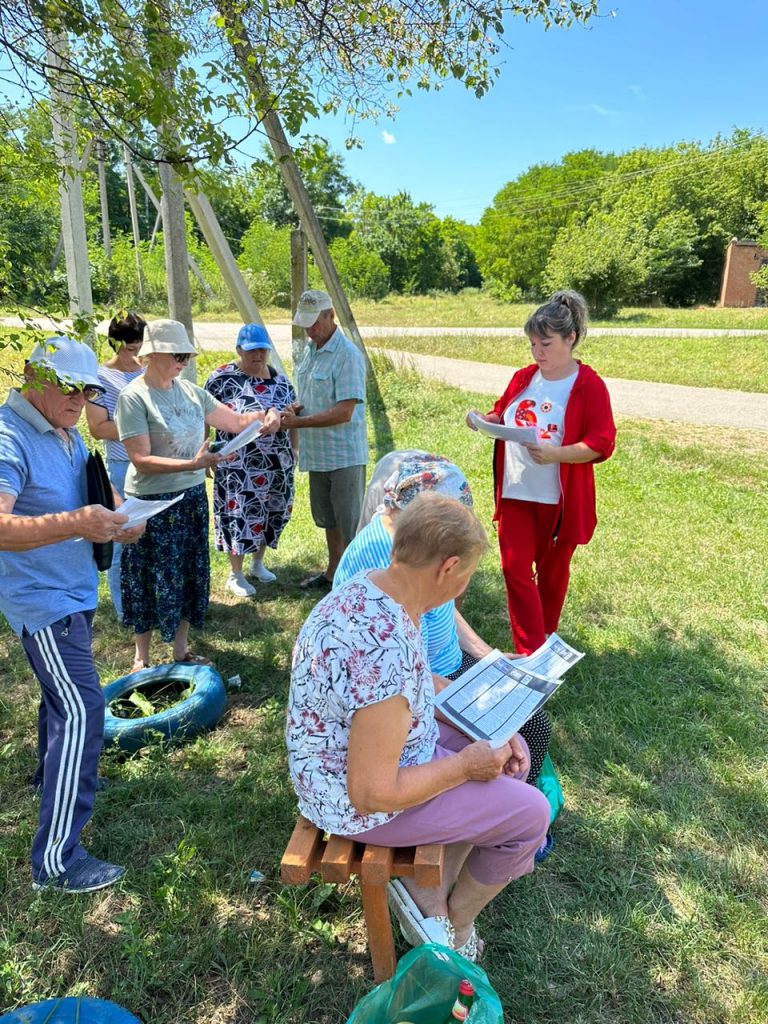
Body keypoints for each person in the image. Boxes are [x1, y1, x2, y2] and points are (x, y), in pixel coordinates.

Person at [287, 493, 550, 959]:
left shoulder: (372, 586)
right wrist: (466, 765)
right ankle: (455, 921)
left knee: (509, 755)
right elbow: (372, 792)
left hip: (335, 766)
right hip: (353, 803)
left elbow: (415, 681)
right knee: (530, 816)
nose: (462, 589)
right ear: (448, 568)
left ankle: (429, 890)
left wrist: (494, 718)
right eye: (465, 576)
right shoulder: (383, 651)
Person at [0, 336, 145, 892]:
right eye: (69, 386)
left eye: (88, 389)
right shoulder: (10, 436)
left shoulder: (61, 430)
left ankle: (49, 775)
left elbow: (97, 499)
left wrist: (125, 518)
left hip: (72, 592)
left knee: (58, 696)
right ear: (35, 377)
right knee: (83, 708)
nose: (81, 399)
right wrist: (79, 524)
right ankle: (56, 861)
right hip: (43, 600)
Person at [334, 451, 551, 785]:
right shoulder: (382, 561)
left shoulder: (412, 547)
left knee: (524, 711)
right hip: (428, 680)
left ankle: (511, 805)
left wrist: (485, 654)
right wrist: (474, 707)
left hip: (442, 669)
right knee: (529, 724)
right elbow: (404, 673)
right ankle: (506, 815)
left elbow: (442, 608)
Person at [116, 319, 281, 671]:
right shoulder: (134, 397)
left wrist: (264, 416)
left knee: (190, 572)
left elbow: (235, 421)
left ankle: (180, 649)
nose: (183, 361)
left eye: (186, 355)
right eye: (177, 354)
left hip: (190, 498)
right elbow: (140, 460)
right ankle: (140, 657)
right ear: (153, 354)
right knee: (147, 577)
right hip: (151, 503)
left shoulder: (191, 392)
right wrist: (192, 463)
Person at [467, 290, 616, 654]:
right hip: (517, 492)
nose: (538, 352)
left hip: (560, 502)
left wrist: (556, 455)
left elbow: (601, 443)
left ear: (572, 338)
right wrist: (484, 421)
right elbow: (503, 412)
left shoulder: (588, 385)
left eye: (546, 343)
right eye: (533, 343)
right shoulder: (523, 377)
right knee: (515, 570)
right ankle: (530, 650)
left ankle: (545, 642)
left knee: (551, 577)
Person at [280, 289, 367, 591]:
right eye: (305, 323)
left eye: (315, 323)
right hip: (318, 454)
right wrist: (296, 408)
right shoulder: (311, 350)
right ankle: (333, 574)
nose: (309, 330)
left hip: (343, 454)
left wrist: (298, 422)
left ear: (331, 316)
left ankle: (360, 583)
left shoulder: (348, 355)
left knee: (350, 521)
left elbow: (344, 412)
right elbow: (311, 396)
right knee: (328, 519)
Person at [203, 324, 298, 599]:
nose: (258, 355)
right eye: (251, 350)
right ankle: (236, 573)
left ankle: (258, 563)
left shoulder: (280, 380)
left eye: (262, 349)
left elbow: (292, 418)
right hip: (237, 463)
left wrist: (294, 449)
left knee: (270, 511)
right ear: (238, 350)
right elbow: (204, 415)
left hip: (276, 462)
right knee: (240, 514)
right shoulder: (221, 378)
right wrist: (206, 449)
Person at [86, 311, 146, 621]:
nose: (133, 349)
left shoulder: (148, 372)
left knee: (152, 539)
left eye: (137, 342)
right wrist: (140, 426)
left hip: (153, 466)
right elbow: (98, 428)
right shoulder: (99, 378)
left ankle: (151, 605)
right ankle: (125, 610)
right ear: (114, 342)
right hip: (122, 467)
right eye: (127, 343)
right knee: (122, 539)